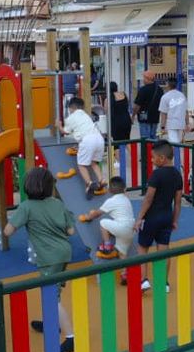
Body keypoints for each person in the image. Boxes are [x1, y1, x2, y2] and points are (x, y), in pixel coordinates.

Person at [3, 167, 77, 352]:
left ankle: (70, 338)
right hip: (64, 252)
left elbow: (8, 231)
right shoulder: (57, 203)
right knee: (54, 289)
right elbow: (71, 231)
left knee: (52, 296)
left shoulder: (26, 207)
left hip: (48, 256)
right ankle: (51, 321)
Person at [135, 141, 183, 289]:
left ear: (162, 158)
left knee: (143, 248)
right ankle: (164, 282)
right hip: (166, 217)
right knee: (163, 250)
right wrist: (174, 220)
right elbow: (178, 201)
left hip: (151, 217)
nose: (152, 160)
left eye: (153, 157)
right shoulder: (177, 174)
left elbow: (148, 199)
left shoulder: (156, 175)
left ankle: (144, 280)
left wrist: (139, 218)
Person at [61, 96, 108, 196]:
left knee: (81, 165)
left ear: (71, 108)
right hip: (99, 139)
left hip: (87, 140)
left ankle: (89, 183)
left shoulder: (71, 117)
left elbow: (65, 132)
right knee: (93, 163)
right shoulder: (86, 115)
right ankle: (102, 180)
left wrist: (58, 125)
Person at [80, 176, 136, 259]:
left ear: (109, 190)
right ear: (125, 189)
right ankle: (125, 270)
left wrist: (88, 217)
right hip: (131, 230)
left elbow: (97, 214)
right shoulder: (126, 199)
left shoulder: (111, 201)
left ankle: (107, 247)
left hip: (122, 228)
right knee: (122, 254)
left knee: (103, 223)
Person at [157, 77, 187, 144]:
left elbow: (163, 114)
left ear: (167, 85)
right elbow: (186, 111)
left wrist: (162, 127)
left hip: (171, 124)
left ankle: (175, 154)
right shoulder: (182, 95)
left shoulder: (165, 97)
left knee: (174, 144)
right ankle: (177, 154)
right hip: (181, 123)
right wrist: (187, 123)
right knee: (178, 143)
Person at [133, 71, 161, 140]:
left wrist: (133, 115)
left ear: (148, 79)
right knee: (153, 137)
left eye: (144, 78)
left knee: (145, 139)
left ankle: (147, 151)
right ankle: (153, 150)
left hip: (144, 118)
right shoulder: (159, 89)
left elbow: (137, 105)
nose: (143, 80)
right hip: (155, 117)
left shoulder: (143, 90)